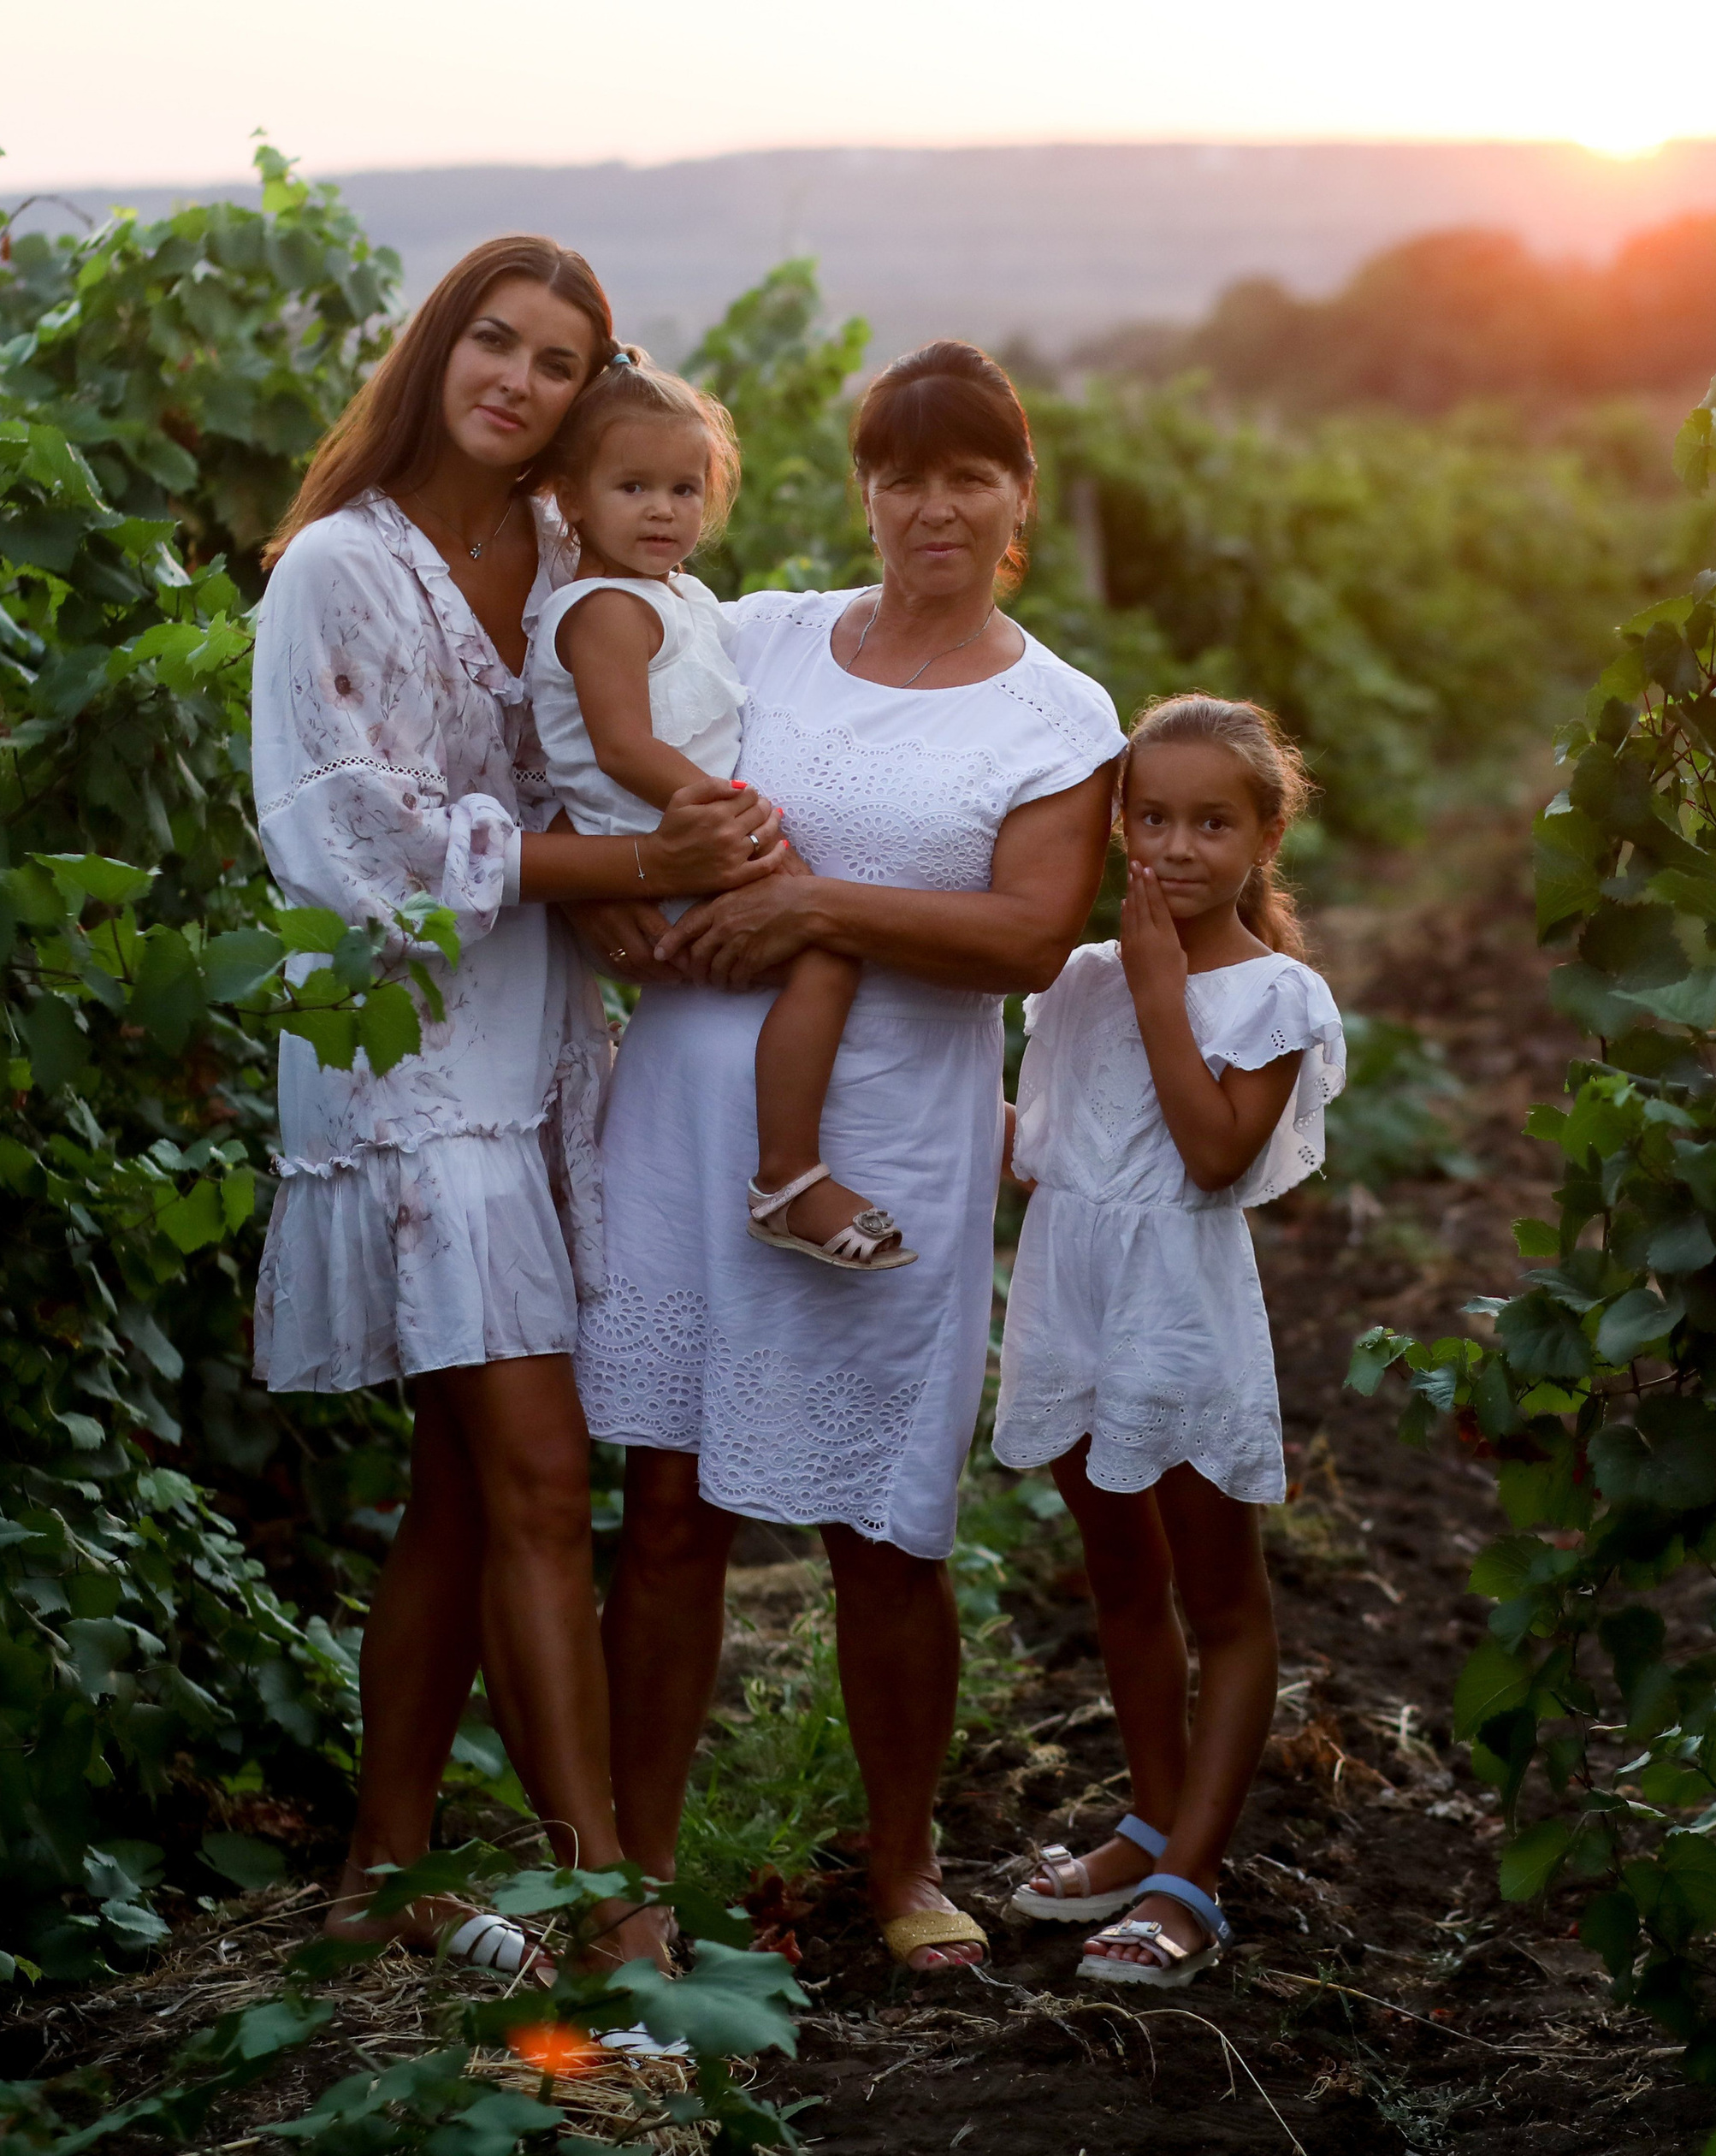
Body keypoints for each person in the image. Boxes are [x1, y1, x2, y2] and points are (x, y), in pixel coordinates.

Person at [251, 236, 781, 1989]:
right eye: (495, 340)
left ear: (586, 402)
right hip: (410, 1061)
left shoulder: (564, 546)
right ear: (437, 348)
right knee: (545, 1477)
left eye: (559, 363)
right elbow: (360, 848)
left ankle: (378, 1871)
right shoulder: (335, 567)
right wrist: (620, 859)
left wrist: (616, 889)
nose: (518, 379)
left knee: (460, 1494)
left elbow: (573, 754)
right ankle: (605, 1905)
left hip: (540, 1045)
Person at [574, 341, 1125, 1972]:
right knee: (665, 1509)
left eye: (969, 473)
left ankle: (900, 1867)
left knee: (886, 1533)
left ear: (1018, 494)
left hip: (890, 1144)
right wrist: (605, 889)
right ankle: (640, 1885)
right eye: (902, 472)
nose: (932, 504)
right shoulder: (766, 636)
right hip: (687, 1115)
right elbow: (614, 755)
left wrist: (813, 905)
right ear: (863, 490)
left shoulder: (1057, 710)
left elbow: (1029, 936)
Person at [991, 695, 1346, 1987]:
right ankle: (1148, 1825)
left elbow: (1209, 1152)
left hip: (1178, 1319)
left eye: (1213, 822)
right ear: (1118, 824)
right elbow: (1042, 1155)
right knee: (1121, 1580)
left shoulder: (1273, 993)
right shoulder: (1078, 977)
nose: (1178, 846)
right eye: (1152, 817)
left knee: (1224, 1599)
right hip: (1075, 1300)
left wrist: (1156, 984)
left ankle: (1193, 1880)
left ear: (1265, 834)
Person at [527, 349, 912, 1273]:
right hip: (656, 853)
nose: (665, 510)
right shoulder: (604, 610)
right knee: (828, 948)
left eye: (685, 488)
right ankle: (785, 1174)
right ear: (571, 499)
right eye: (633, 487)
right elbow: (621, 746)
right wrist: (731, 815)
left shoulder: (678, 595)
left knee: (826, 945)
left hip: (681, 837)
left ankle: (803, 1159)